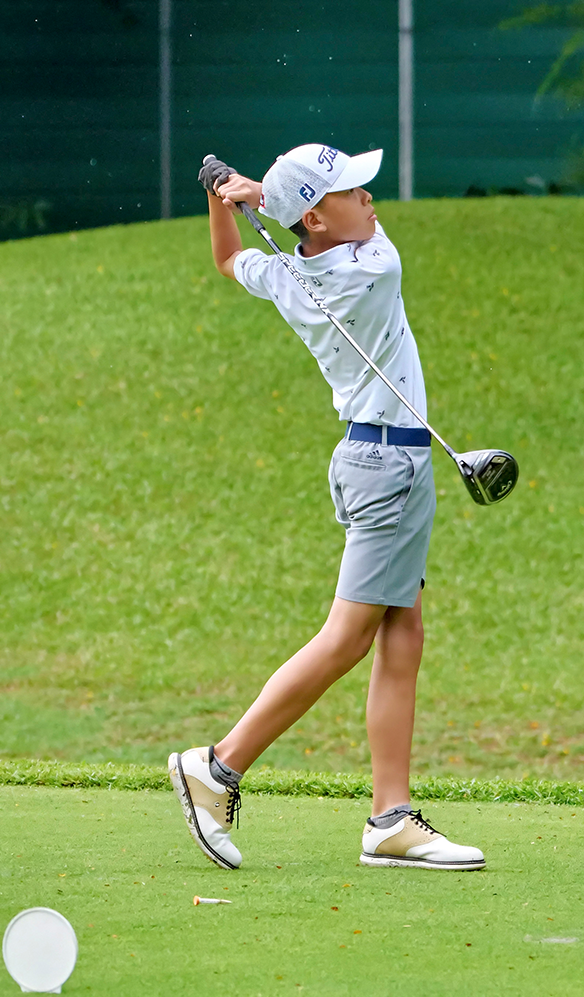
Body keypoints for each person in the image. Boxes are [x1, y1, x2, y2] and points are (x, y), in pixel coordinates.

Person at [168, 144, 485, 872]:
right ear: (314, 213)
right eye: (350, 190)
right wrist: (252, 195)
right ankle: (216, 766)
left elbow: (226, 263)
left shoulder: (286, 273)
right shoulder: (373, 266)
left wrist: (224, 202)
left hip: (368, 459)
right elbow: (353, 240)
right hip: (390, 467)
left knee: (402, 627)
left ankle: (390, 817)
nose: (368, 198)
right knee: (347, 638)